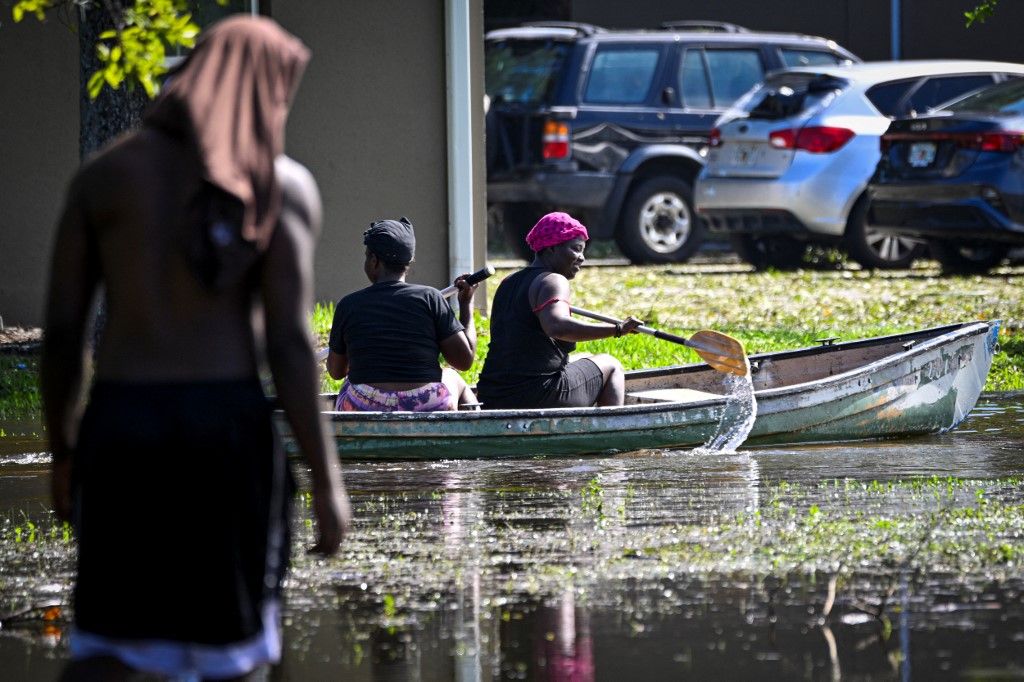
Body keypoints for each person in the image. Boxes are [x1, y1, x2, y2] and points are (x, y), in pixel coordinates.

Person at [39, 16, 350, 681]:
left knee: (113, 644)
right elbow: (293, 345)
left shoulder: (104, 177)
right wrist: (327, 483)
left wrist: (65, 453)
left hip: (121, 427)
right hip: (225, 432)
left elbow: (63, 332)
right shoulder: (279, 187)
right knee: (230, 654)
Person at [476, 212, 642, 409]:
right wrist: (616, 329)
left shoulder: (508, 282)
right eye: (576, 249)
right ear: (552, 247)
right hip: (536, 394)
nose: (582, 258)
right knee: (611, 364)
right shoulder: (553, 280)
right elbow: (557, 326)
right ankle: (610, 431)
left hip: (492, 394)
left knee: (584, 357)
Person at [326, 217, 479, 411]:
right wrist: (466, 305)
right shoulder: (430, 298)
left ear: (374, 261)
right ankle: (473, 435)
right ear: (408, 262)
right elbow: (464, 361)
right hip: (426, 403)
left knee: (347, 386)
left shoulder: (349, 304)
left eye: (367, 256)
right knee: (453, 377)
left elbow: (336, 371)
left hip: (364, 405)